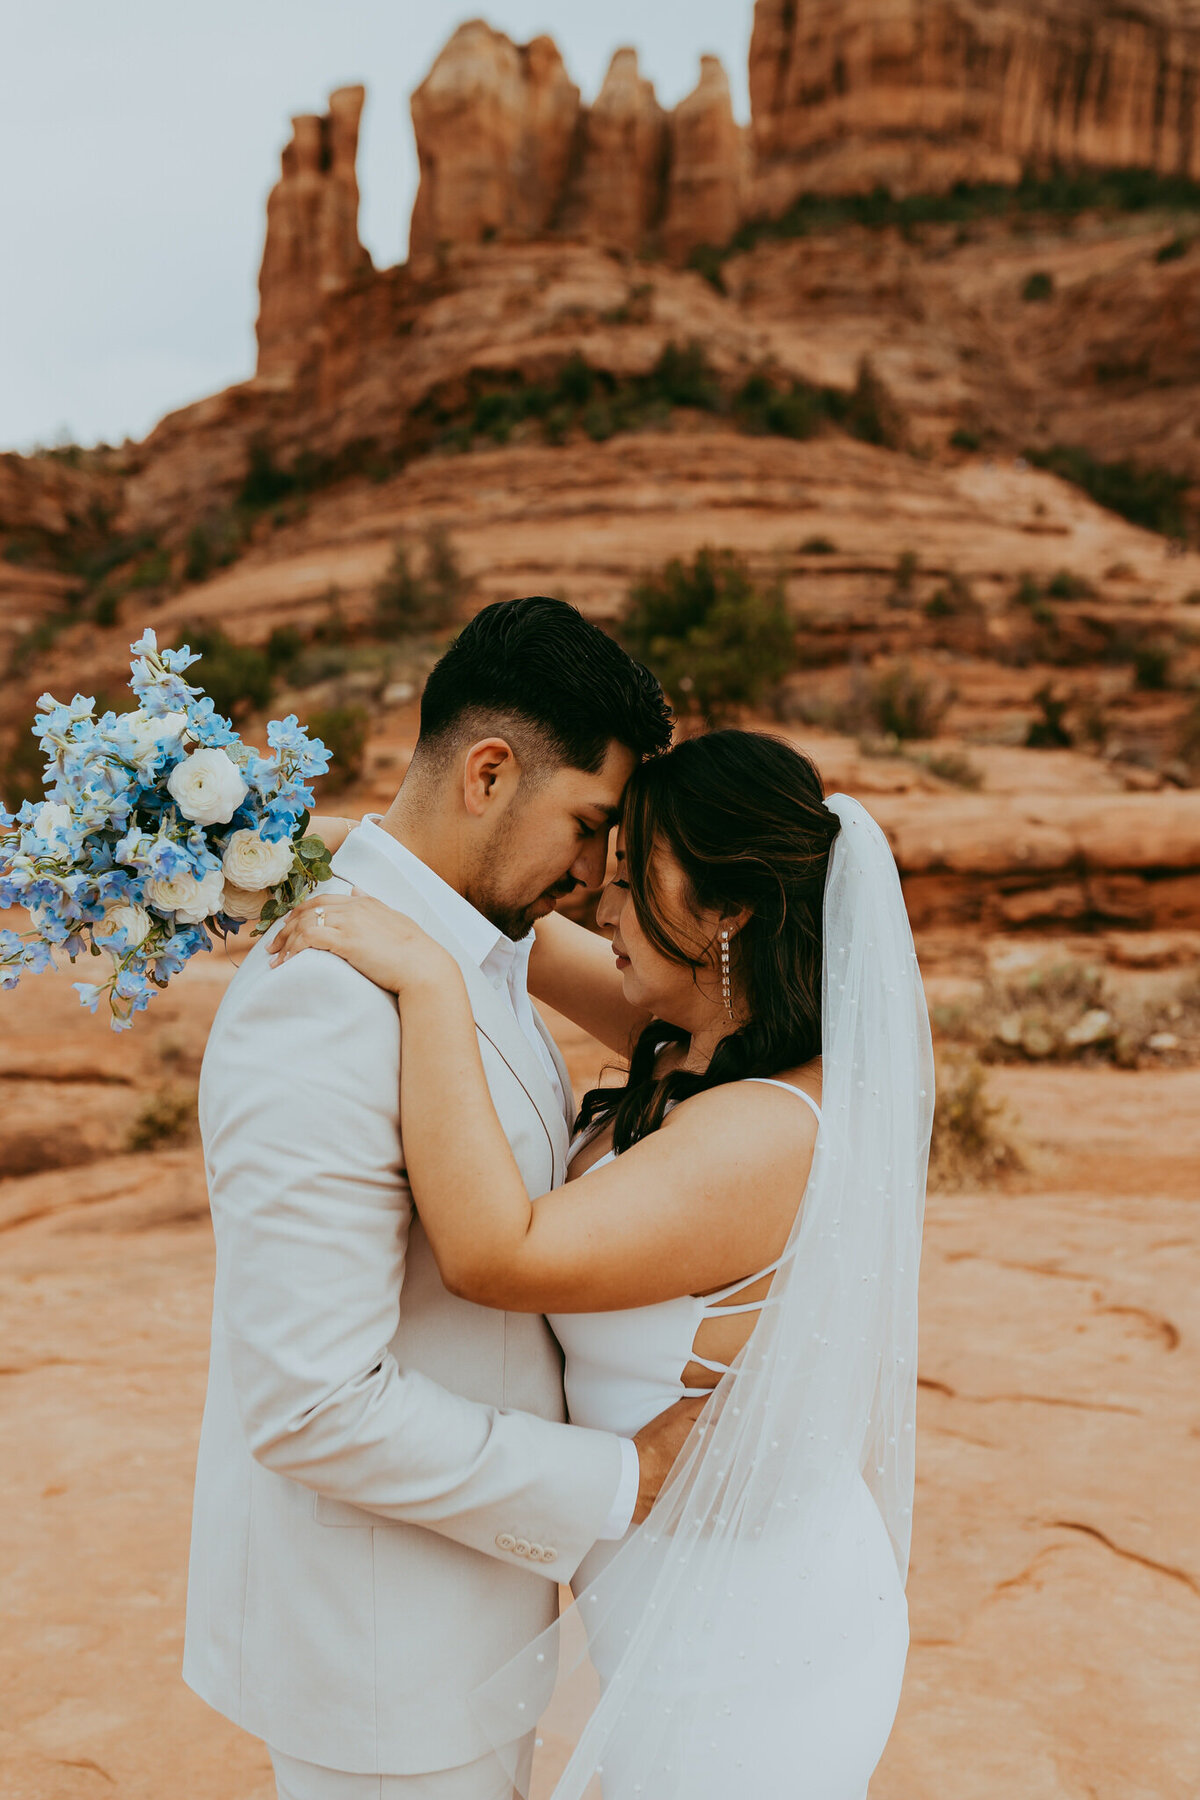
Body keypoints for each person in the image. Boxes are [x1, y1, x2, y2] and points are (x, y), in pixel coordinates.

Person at [274, 727, 935, 1800]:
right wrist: (236, 834)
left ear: (728, 909)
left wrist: (433, 991)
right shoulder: (691, 1036)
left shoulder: (767, 1131)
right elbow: (477, 906)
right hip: (662, 1584)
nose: (598, 907)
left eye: (630, 881)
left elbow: (499, 1255)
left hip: (747, 1625)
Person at [183, 597, 706, 1800]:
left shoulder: (474, 943)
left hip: (468, 1633)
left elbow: (695, 1012)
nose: (589, 875)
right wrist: (618, 1481)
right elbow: (310, 1404)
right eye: (586, 825)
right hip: (380, 1663)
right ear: (488, 772)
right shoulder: (326, 996)